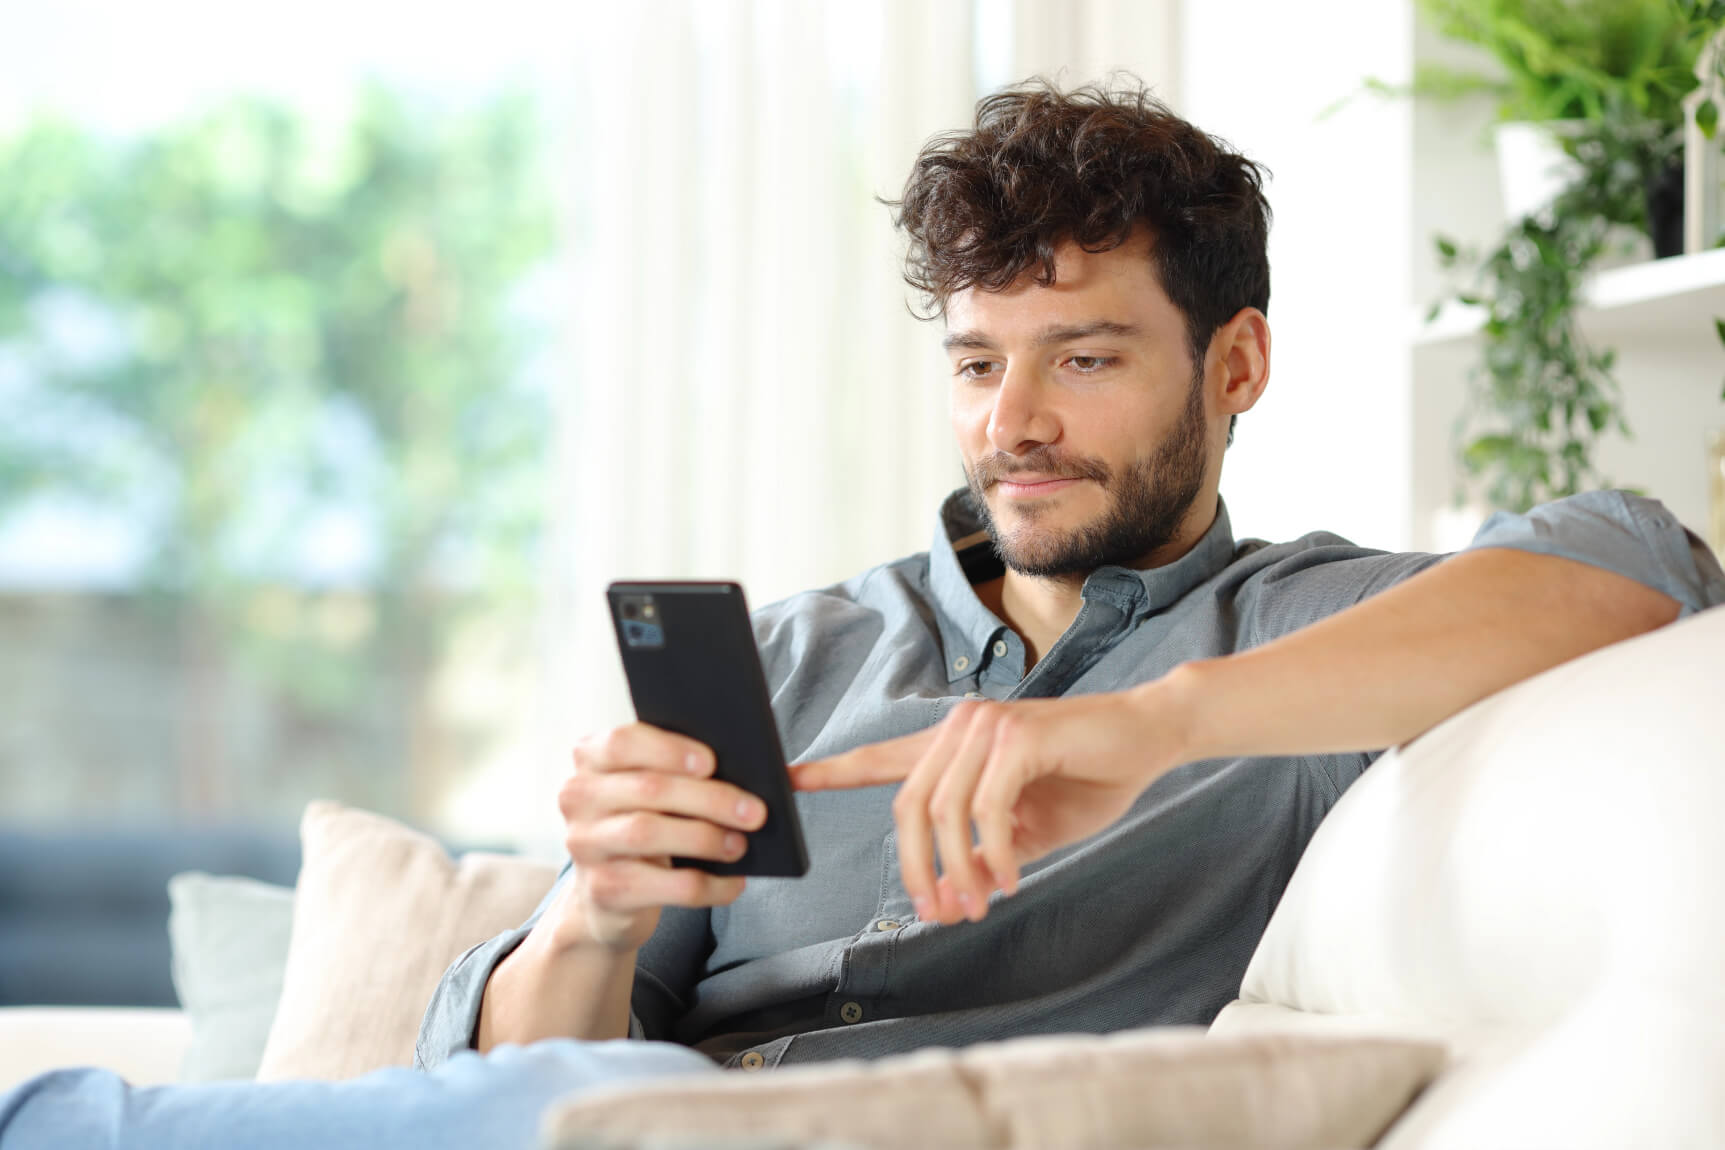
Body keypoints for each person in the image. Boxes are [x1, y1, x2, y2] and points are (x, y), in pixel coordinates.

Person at [4, 78, 1722, 1150]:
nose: (1012, 420)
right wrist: (594, 916)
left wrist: (1140, 722)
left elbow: (1638, 555)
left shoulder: (1297, 642)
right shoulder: (793, 653)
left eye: (1087, 356)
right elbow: (521, 1072)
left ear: (1238, 362)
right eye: (978, 361)